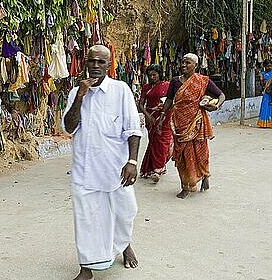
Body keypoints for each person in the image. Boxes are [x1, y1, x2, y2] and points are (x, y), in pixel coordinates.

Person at [62, 45, 142, 280]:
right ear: (85, 63)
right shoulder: (76, 92)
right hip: (84, 171)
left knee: (125, 212)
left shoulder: (121, 90)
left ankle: (123, 245)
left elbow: (132, 129)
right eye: (91, 61)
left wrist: (132, 161)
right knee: (86, 218)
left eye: (101, 62)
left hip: (115, 170)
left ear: (109, 66)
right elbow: (68, 127)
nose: (95, 66)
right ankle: (86, 268)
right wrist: (80, 96)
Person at [158, 53, 225, 199]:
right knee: (182, 155)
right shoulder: (175, 81)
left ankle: (204, 174)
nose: (183, 65)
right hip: (179, 123)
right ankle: (186, 185)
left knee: (200, 153)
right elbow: (169, 100)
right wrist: (162, 116)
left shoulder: (203, 81)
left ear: (196, 65)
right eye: (182, 62)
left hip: (197, 123)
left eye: (187, 63)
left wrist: (216, 106)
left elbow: (221, 95)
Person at [138, 64, 173, 183]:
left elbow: (171, 101)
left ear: (159, 74)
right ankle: (154, 168)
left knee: (163, 143)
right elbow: (141, 104)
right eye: (150, 75)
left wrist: (163, 111)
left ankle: (158, 169)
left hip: (164, 117)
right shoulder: (146, 87)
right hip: (150, 118)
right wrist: (147, 116)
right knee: (154, 143)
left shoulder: (167, 86)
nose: (152, 77)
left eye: (154, 75)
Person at [257, 59, 272, 128]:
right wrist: (261, 79)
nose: (269, 67)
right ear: (265, 66)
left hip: (271, 93)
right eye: (268, 66)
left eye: (270, 66)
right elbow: (262, 85)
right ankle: (264, 124)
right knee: (265, 107)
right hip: (266, 93)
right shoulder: (262, 74)